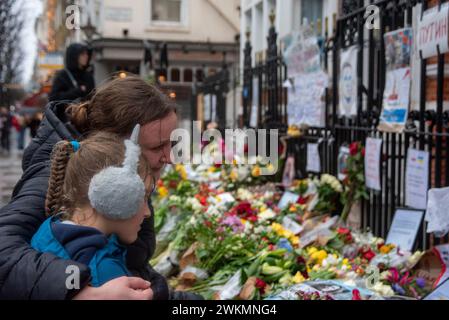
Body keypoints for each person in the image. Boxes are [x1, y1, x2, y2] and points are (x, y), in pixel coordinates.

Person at [0, 76, 200, 300]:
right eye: (157, 146)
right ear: (116, 144)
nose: (170, 157)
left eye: (172, 143)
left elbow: (132, 271)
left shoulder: (124, 178)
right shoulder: (59, 176)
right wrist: (81, 291)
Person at [32, 129, 155, 295]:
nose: (147, 212)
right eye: (143, 196)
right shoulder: (107, 275)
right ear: (114, 194)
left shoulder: (50, 230)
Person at [48, 43, 95, 119]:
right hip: (66, 121)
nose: (86, 56)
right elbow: (53, 99)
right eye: (82, 54)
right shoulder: (62, 75)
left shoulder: (88, 76)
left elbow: (92, 98)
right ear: (74, 56)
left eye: (87, 54)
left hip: (85, 120)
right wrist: (77, 91)